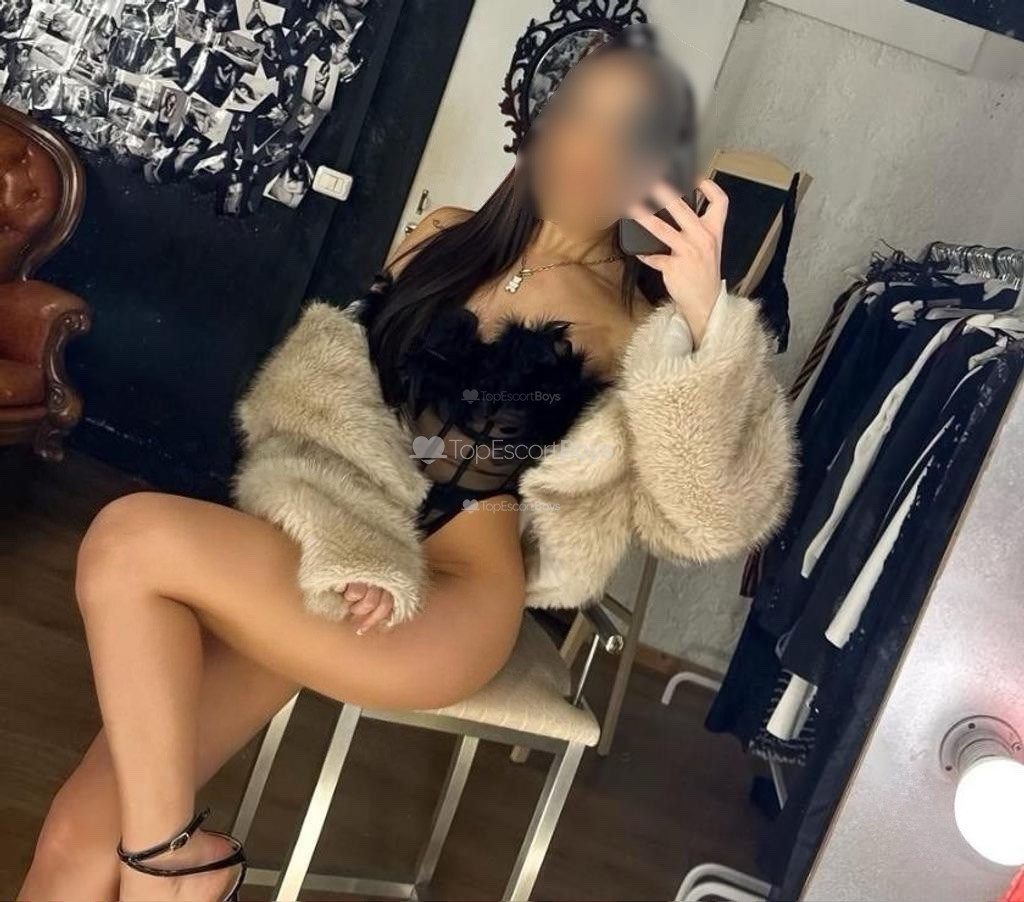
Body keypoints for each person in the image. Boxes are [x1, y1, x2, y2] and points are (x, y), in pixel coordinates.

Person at [17, 29, 796, 902]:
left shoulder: (640, 323)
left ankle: (172, 869)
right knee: (75, 839)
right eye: (578, 111)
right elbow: (324, 403)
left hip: (452, 599)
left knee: (129, 540)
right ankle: (167, 863)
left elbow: (710, 519)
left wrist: (708, 322)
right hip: (330, 556)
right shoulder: (444, 238)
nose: (588, 145)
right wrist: (353, 538)